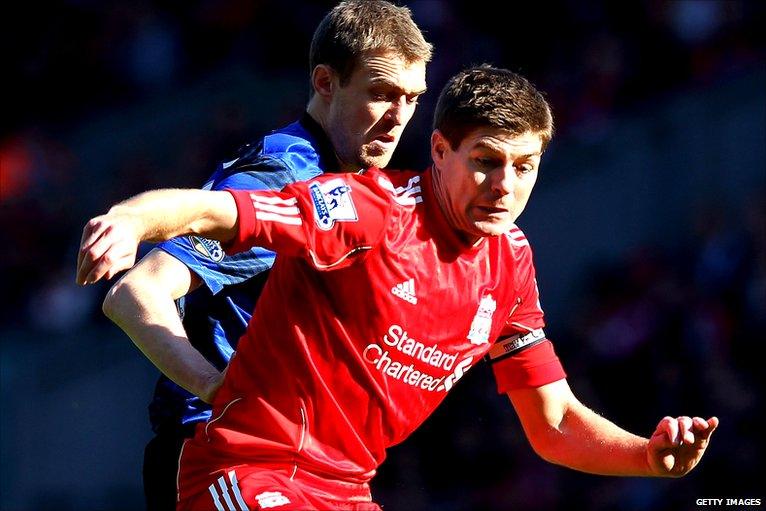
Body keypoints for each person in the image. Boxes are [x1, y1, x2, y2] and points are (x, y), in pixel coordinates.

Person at [77, 66, 717, 511]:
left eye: (524, 167)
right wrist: (133, 219)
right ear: (440, 150)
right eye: (486, 161)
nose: (505, 185)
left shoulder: (511, 264)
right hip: (249, 471)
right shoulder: (369, 210)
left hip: (346, 491)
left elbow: (552, 424)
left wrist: (648, 458)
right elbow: (215, 212)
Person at [95, 1, 431, 508]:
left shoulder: (357, 185)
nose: (398, 117)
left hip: (298, 465)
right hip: (218, 456)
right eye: (381, 94)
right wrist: (218, 389)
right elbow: (135, 293)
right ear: (324, 82)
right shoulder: (284, 176)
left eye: (411, 97)